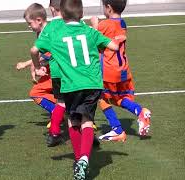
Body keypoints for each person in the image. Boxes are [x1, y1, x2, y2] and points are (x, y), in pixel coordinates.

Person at [31, 0, 118, 179]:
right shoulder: (90, 31)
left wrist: (36, 65)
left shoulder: (56, 35)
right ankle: (84, 159)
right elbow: (113, 47)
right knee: (87, 121)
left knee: (73, 121)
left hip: (70, 84)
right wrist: (101, 32)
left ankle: (79, 159)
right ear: (82, 13)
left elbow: (34, 50)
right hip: (93, 84)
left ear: (62, 13)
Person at [90, 0, 151, 142]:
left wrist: (94, 24)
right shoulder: (122, 23)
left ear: (109, 8)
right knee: (117, 98)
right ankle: (136, 114)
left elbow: (92, 38)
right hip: (122, 69)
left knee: (103, 98)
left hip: (109, 70)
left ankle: (120, 127)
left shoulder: (104, 25)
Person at [19, 2, 65, 147]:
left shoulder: (49, 30)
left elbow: (46, 54)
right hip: (55, 70)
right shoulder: (45, 31)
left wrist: (31, 64)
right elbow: (44, 55)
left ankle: (59, 119)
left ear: (39, 20)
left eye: (29, 23)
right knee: (63, 99)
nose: (28, 26)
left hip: (59, 72)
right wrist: (35, 66)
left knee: (38, 93)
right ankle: (63, 116)